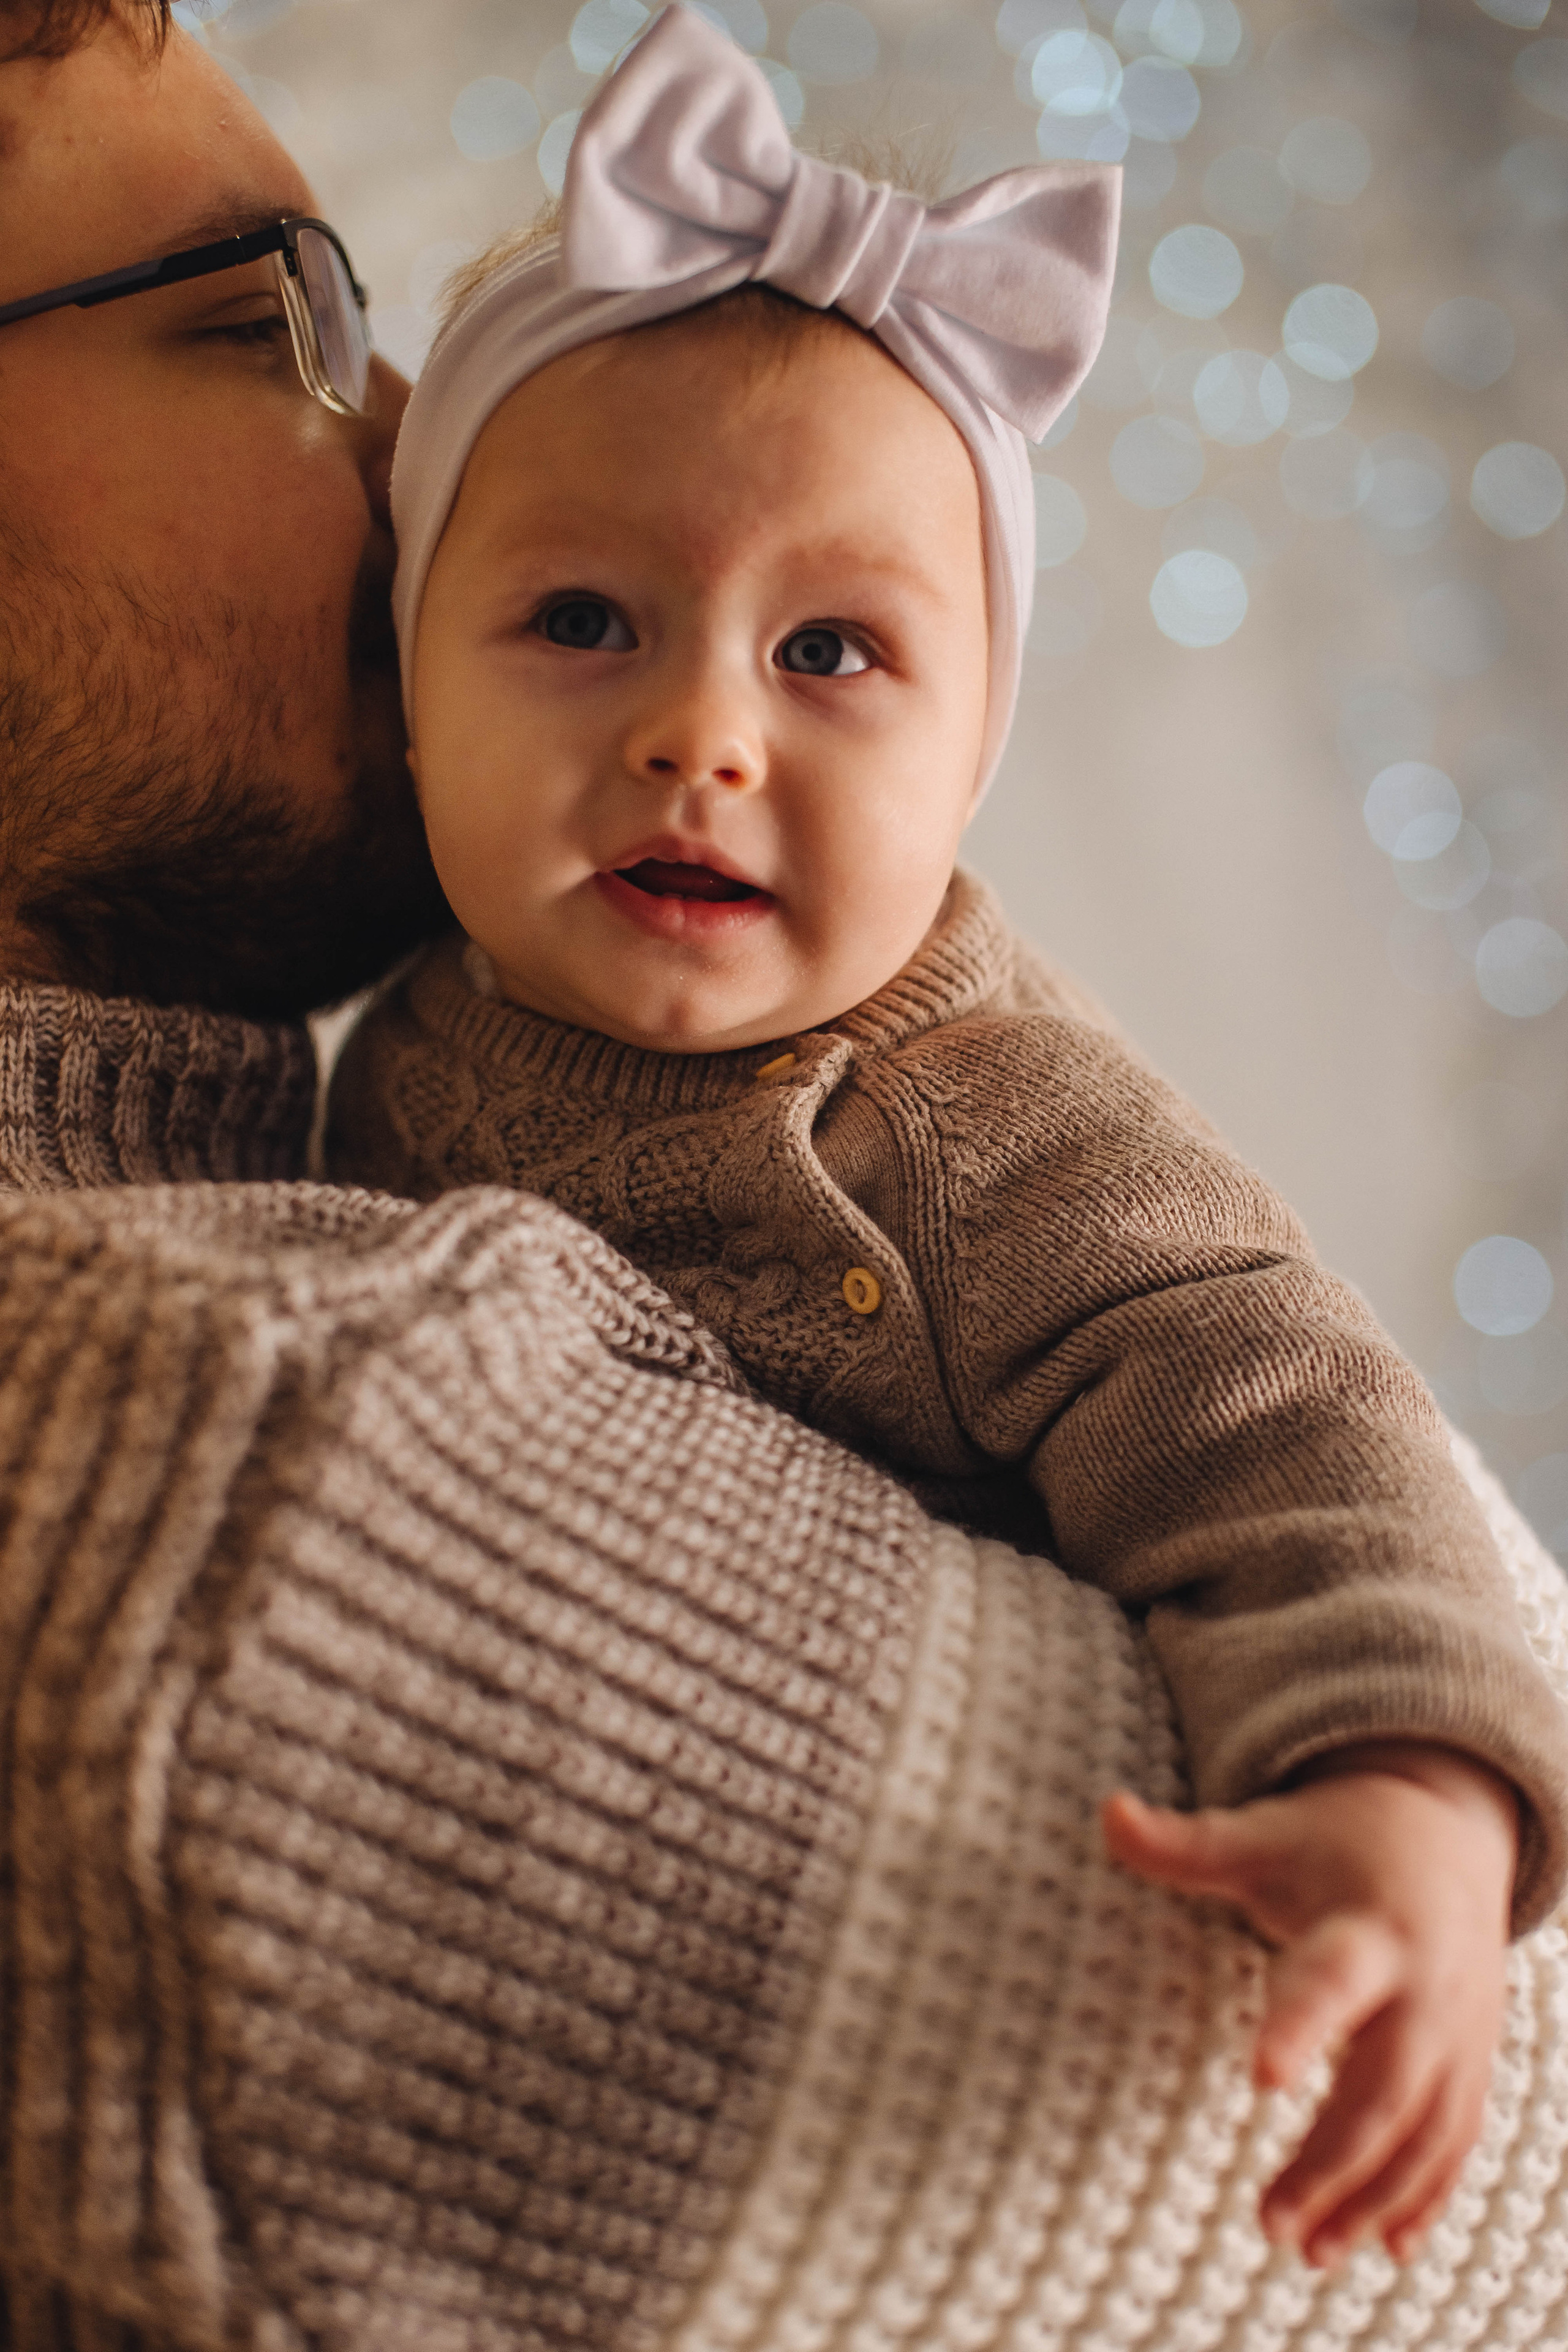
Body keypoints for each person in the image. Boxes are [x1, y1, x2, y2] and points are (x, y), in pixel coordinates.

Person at [2, 7, 1568, 2350]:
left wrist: (1414, 1778)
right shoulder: (246, 1427)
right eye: (266, 323)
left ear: (970, 749)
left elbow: (1263, 1389)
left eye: (831, 651)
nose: (700, 733)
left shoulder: (955, 1105)